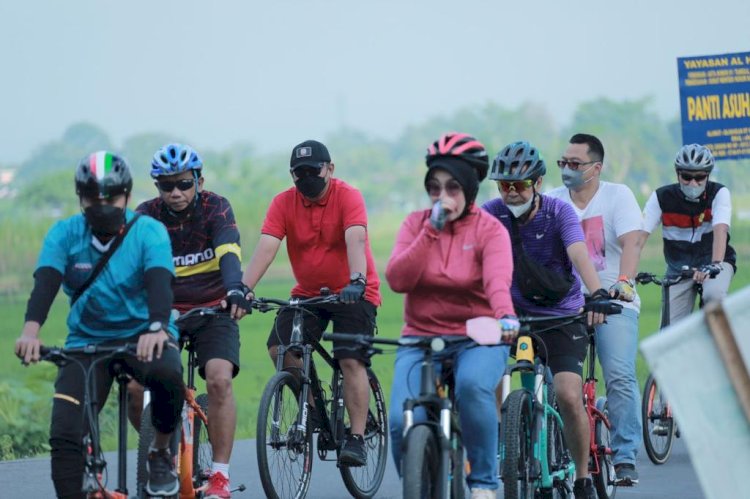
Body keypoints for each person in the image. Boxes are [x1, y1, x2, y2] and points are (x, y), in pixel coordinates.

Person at [14, 152, 184, 499]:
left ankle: (161, 452)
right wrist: (31, 331)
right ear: (81, 197)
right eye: (93, 197)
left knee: (168, 373)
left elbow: (159, 283)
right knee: (64, 434)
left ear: (127, 196)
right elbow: (45, 283)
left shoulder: (148, 232)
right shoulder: (64, 234)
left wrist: (155, 327)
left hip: (143, 336)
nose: (102, 204)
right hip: (87, 341)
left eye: (111, 197)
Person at [385, 132, 519, 499]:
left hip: (478, 335)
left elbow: (496, 282)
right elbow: (398, 279)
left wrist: (506, 316)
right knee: (399, 422)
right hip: (420, 337)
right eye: (434, 187)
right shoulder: (415, 225)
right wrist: (430, 231)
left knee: (474, 387)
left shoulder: (489, 230)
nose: (442, 197)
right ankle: (422, 482)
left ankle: (483, 484)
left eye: (453, 187)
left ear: (472, 189)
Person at [482, 141, 612, 499]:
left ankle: (583, 476)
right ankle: (505, 441)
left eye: (519, 185)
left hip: (561, 317)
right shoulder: (490, 214)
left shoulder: (559, 213)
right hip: (511, 317)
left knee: (569, 395)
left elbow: (578, 251)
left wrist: (597, 292)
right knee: (481, 373)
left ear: (538, 183)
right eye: (504, 185)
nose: (511, 192)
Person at [240, 139, 381, 467]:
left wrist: (357, 280)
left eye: (312, 171)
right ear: (292, 175)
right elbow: (266, 247)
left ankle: (357, 437)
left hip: (354, 292)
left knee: (349, 360)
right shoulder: (283, 203)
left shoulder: (348, 196)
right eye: (298, 173)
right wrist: (242, 289)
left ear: (330, 169)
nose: (306, 178)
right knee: (280, 348)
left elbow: (356, 239)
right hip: (309, 294)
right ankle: (314, 410)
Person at [134, 143, 249, 499]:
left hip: (214, 308)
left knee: (218, 380)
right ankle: (158, 447)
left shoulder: (217, 207)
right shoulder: (146, 215)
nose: (175, 193)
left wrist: (234, 289)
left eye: (184, 184)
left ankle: (219, 476)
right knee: (137, 388)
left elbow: (229, 251)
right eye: (166, 186)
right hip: (164, 313)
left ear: (199, 180)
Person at [547, 133, 643, 486]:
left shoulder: (618, 196)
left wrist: (624, 281)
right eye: (563, 163)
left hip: (614, 301)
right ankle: (551, 448)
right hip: (566, 304)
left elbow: (632, 242)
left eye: (576, 164)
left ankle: (625, 454)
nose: (567, 170)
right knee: (548, 379)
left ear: (596, 168)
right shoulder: (552, 201)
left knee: (618, 371)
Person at [638, 143, 736, 323]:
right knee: (669, 335)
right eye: (686, 176)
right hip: (678, 269)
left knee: (713, 296)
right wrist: (627, 273)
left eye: (699, 177)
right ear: (677, 174)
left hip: (716, 262)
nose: (693, 183)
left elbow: (720, 230)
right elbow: (638, 238)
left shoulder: (719, 193)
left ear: (708, 175)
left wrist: (714, 264)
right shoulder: (661, 196)